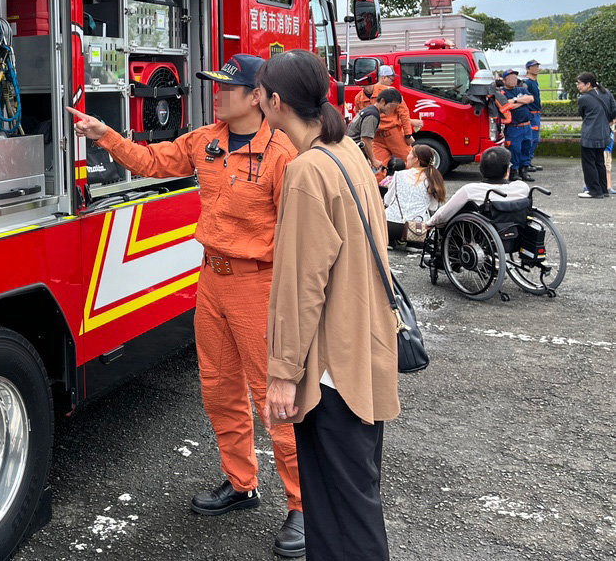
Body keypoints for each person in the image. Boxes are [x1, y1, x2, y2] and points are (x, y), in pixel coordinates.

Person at [67, 54, 305, 558]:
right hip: (212, 280)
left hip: (258, 286)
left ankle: (305, 505)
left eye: (226, 87)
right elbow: (153, 162)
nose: (216, 93)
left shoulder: (283, 153)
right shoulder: (206, 140)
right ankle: (241, 483)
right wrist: (104, 134)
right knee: (219, 389)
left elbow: (298, 237)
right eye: (214, 84)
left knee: (274, 399)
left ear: (256, 96)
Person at [256, 50, 400, 561]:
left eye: (259, 94)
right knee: (354, 499)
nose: (256, 101)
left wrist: (282, 374)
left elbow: (301, 286)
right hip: (363, 348)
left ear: (276, 102)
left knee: (341, 514)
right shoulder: (347, 152)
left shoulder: (307, 169)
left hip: (330, 370)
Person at [426, 146, 525, 228]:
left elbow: (445, 213)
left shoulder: (471, 190)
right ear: (507, 171)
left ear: (482, 169)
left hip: (482, 234)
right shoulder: (521, 187)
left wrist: (430, 223)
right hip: (516, 231)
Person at [352, 65, 420, 170]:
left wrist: (407, 135)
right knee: (377, 168)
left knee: (412, 164)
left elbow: (404, 113)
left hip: (394, 134)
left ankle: (424, 179)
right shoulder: (359, 98)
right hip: (377, 138)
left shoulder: (389, 92)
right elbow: (359, 118)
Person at [382, 143, 446, 246]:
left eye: (410, 154)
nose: (407, 156)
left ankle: (390, 242)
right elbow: (433, 207)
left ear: (416, 159)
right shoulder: (432, 179)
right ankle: (413, 244)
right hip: (417, 229)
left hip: (390, 226)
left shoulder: (398, 175)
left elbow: (387, 201)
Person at [575, 72, 616, 199]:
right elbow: (613, 110)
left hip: (589, 134)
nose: (577, 85)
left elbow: (583, 114)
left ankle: (594, 191)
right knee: (599, 162)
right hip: (604, 133)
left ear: (588, 84)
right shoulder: (606, 93)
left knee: (589, 164)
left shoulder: (583, 99)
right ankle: (603, 190)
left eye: (579, 83)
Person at [347, 88, 402, 175]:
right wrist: (373, 160)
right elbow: (365, 140)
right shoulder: (372, 115)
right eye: (392, 106)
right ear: (382, 101)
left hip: (351, 151)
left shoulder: (368, 110)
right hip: (353, 153)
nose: (393, 110)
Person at [499, 69, 536, 182]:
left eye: (515, 78)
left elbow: (531, 98)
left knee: (527, 147)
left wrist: (515, 100)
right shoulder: (502, 93)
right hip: (513, 127)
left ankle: (524, 171)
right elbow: (506, 106)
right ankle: (513, 171)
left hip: (527, 126)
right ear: (504, 80)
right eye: (510, 78)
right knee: (514, 149)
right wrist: (522, 101)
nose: (513, 80)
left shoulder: (522, 89)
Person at [524, 60, 544, 171]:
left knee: (535, 139)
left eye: (537, 66)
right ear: (528, 69)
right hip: (532, 114)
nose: (536, 68)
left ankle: (528, 161)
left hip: (536, 113)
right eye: (534, 66)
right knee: (532, 139)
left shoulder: (534, 82)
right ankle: (526, 162)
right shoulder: (528, 83)